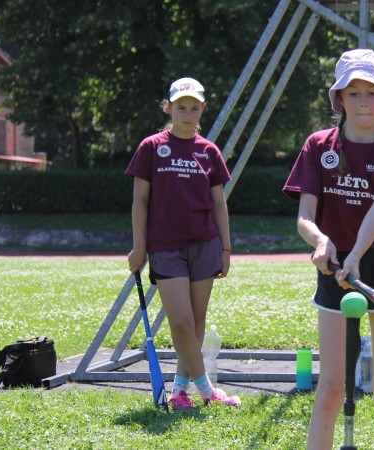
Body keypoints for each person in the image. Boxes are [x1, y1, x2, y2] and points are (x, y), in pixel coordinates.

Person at [282, 49, 374, 450]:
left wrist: (356, 253)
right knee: (332, 388)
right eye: (353, 92)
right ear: (338, 98)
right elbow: (305, 217)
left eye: (372, 92)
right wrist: (322, 241)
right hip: (334, 265)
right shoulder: (317, 146)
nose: (363, 101)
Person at [126, 77, 240, 410]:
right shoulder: (151, 147)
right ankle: (207, 390)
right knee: (181, 322)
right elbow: (140, 201)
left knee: (197, 321)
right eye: (180, 108)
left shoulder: (209, 151)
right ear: (169, 108)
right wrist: (139, 246)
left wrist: (226, 248)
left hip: (206, 244)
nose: (187, 115)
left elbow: (220, 204)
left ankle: (178, 391)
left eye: (194, 108)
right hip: (166, 248)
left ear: (202, 109)